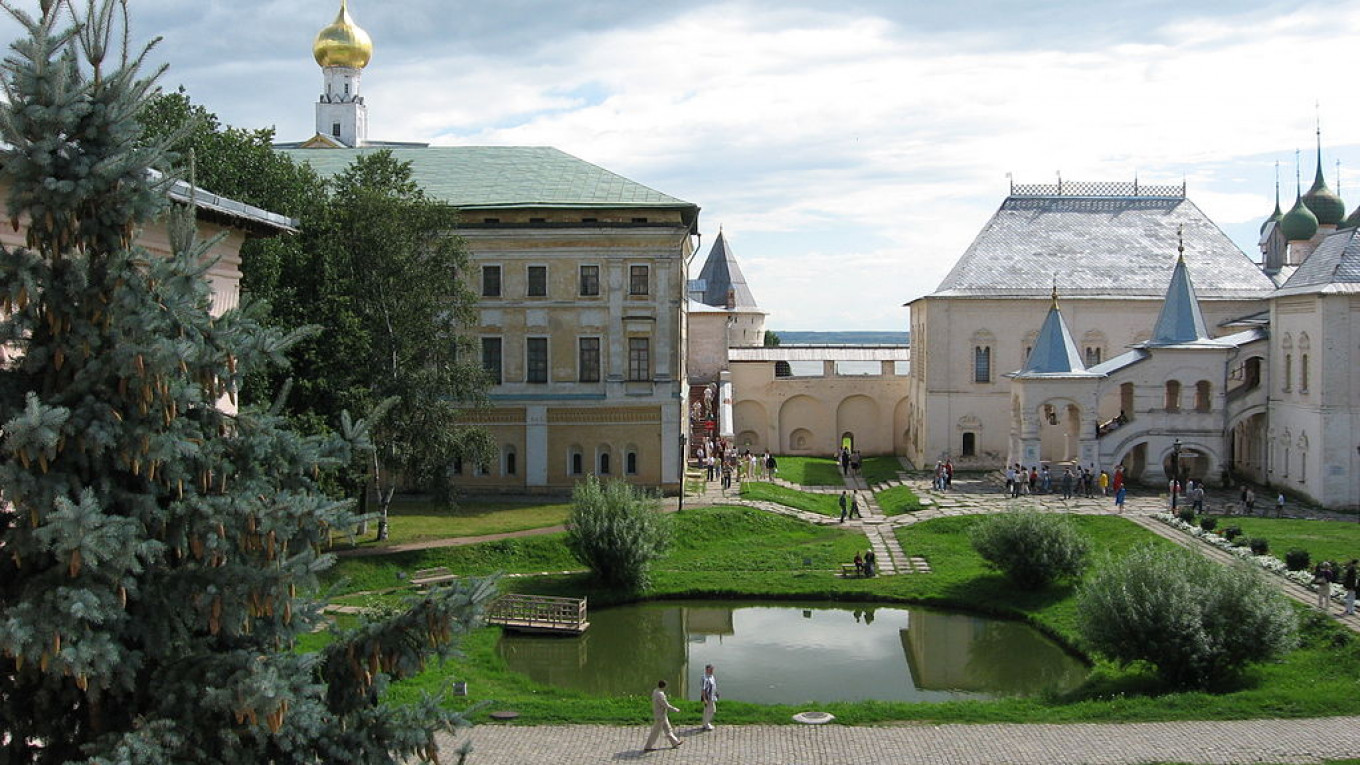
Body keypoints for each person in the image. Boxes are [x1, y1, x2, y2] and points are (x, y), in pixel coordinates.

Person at [643, 679, 683, 751]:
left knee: (668, 729)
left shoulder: (655, 691)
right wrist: (675, 709)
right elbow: (666, 705)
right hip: (660, 716)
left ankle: (675, 742)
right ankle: (648, 746)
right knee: (655, 732)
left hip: (662, 715)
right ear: (664, 686)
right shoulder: (660, 694)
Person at [700, 664, 718, 731]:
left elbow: (714, 686)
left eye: (712, 669)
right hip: (708, 698)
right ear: (707, 670)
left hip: (712, 697)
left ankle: (705, 723)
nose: (712, 671)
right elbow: (703, 689)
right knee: (712, 710)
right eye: (710, 669)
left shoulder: (712, 676)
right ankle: (706, 724)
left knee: (707, 711)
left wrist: (716, 693)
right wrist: (704, 699)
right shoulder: (705, 678)